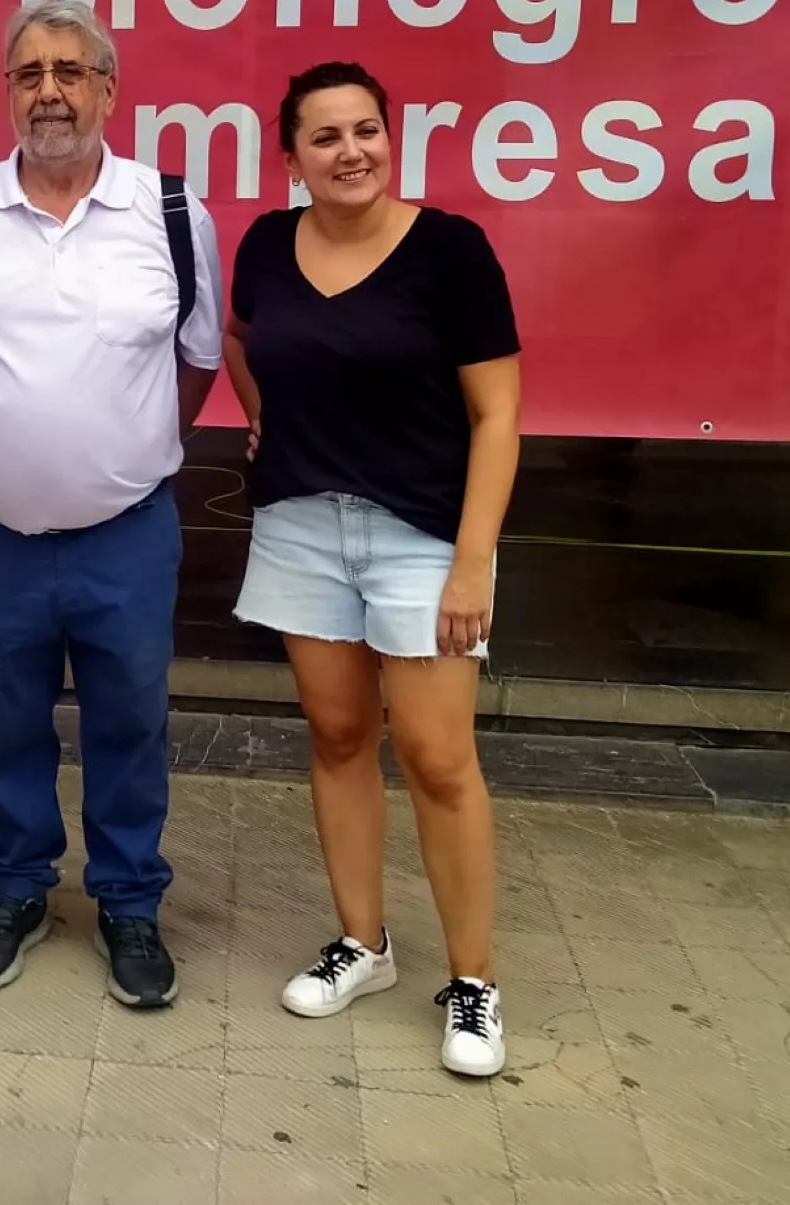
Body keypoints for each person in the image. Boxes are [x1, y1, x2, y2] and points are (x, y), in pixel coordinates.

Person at [0, 0, 222, 1010]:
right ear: (6, 92)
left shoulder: (169, 213)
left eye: (71, 71)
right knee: (8, 725)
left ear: (108, 90)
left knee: (131, 723)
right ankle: (16, 888)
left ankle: (130, 901)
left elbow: (198, 361)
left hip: (126, 537)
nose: (49, 91)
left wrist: (123, 453)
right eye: (28, 73)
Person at [222, 61, 522, 1077]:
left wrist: (473, 560)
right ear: (293, 155)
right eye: (325, 137)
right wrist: (265, 422)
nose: (351, 152)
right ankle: (365, 943)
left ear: (391, 137)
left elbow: (498, 415)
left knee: (439, 761)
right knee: (340, 736)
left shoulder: (451, 251)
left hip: (424, 538)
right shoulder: (268, 243)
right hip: (302, 525)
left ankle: (474, 984)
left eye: (367, 131)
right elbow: (240, 338)